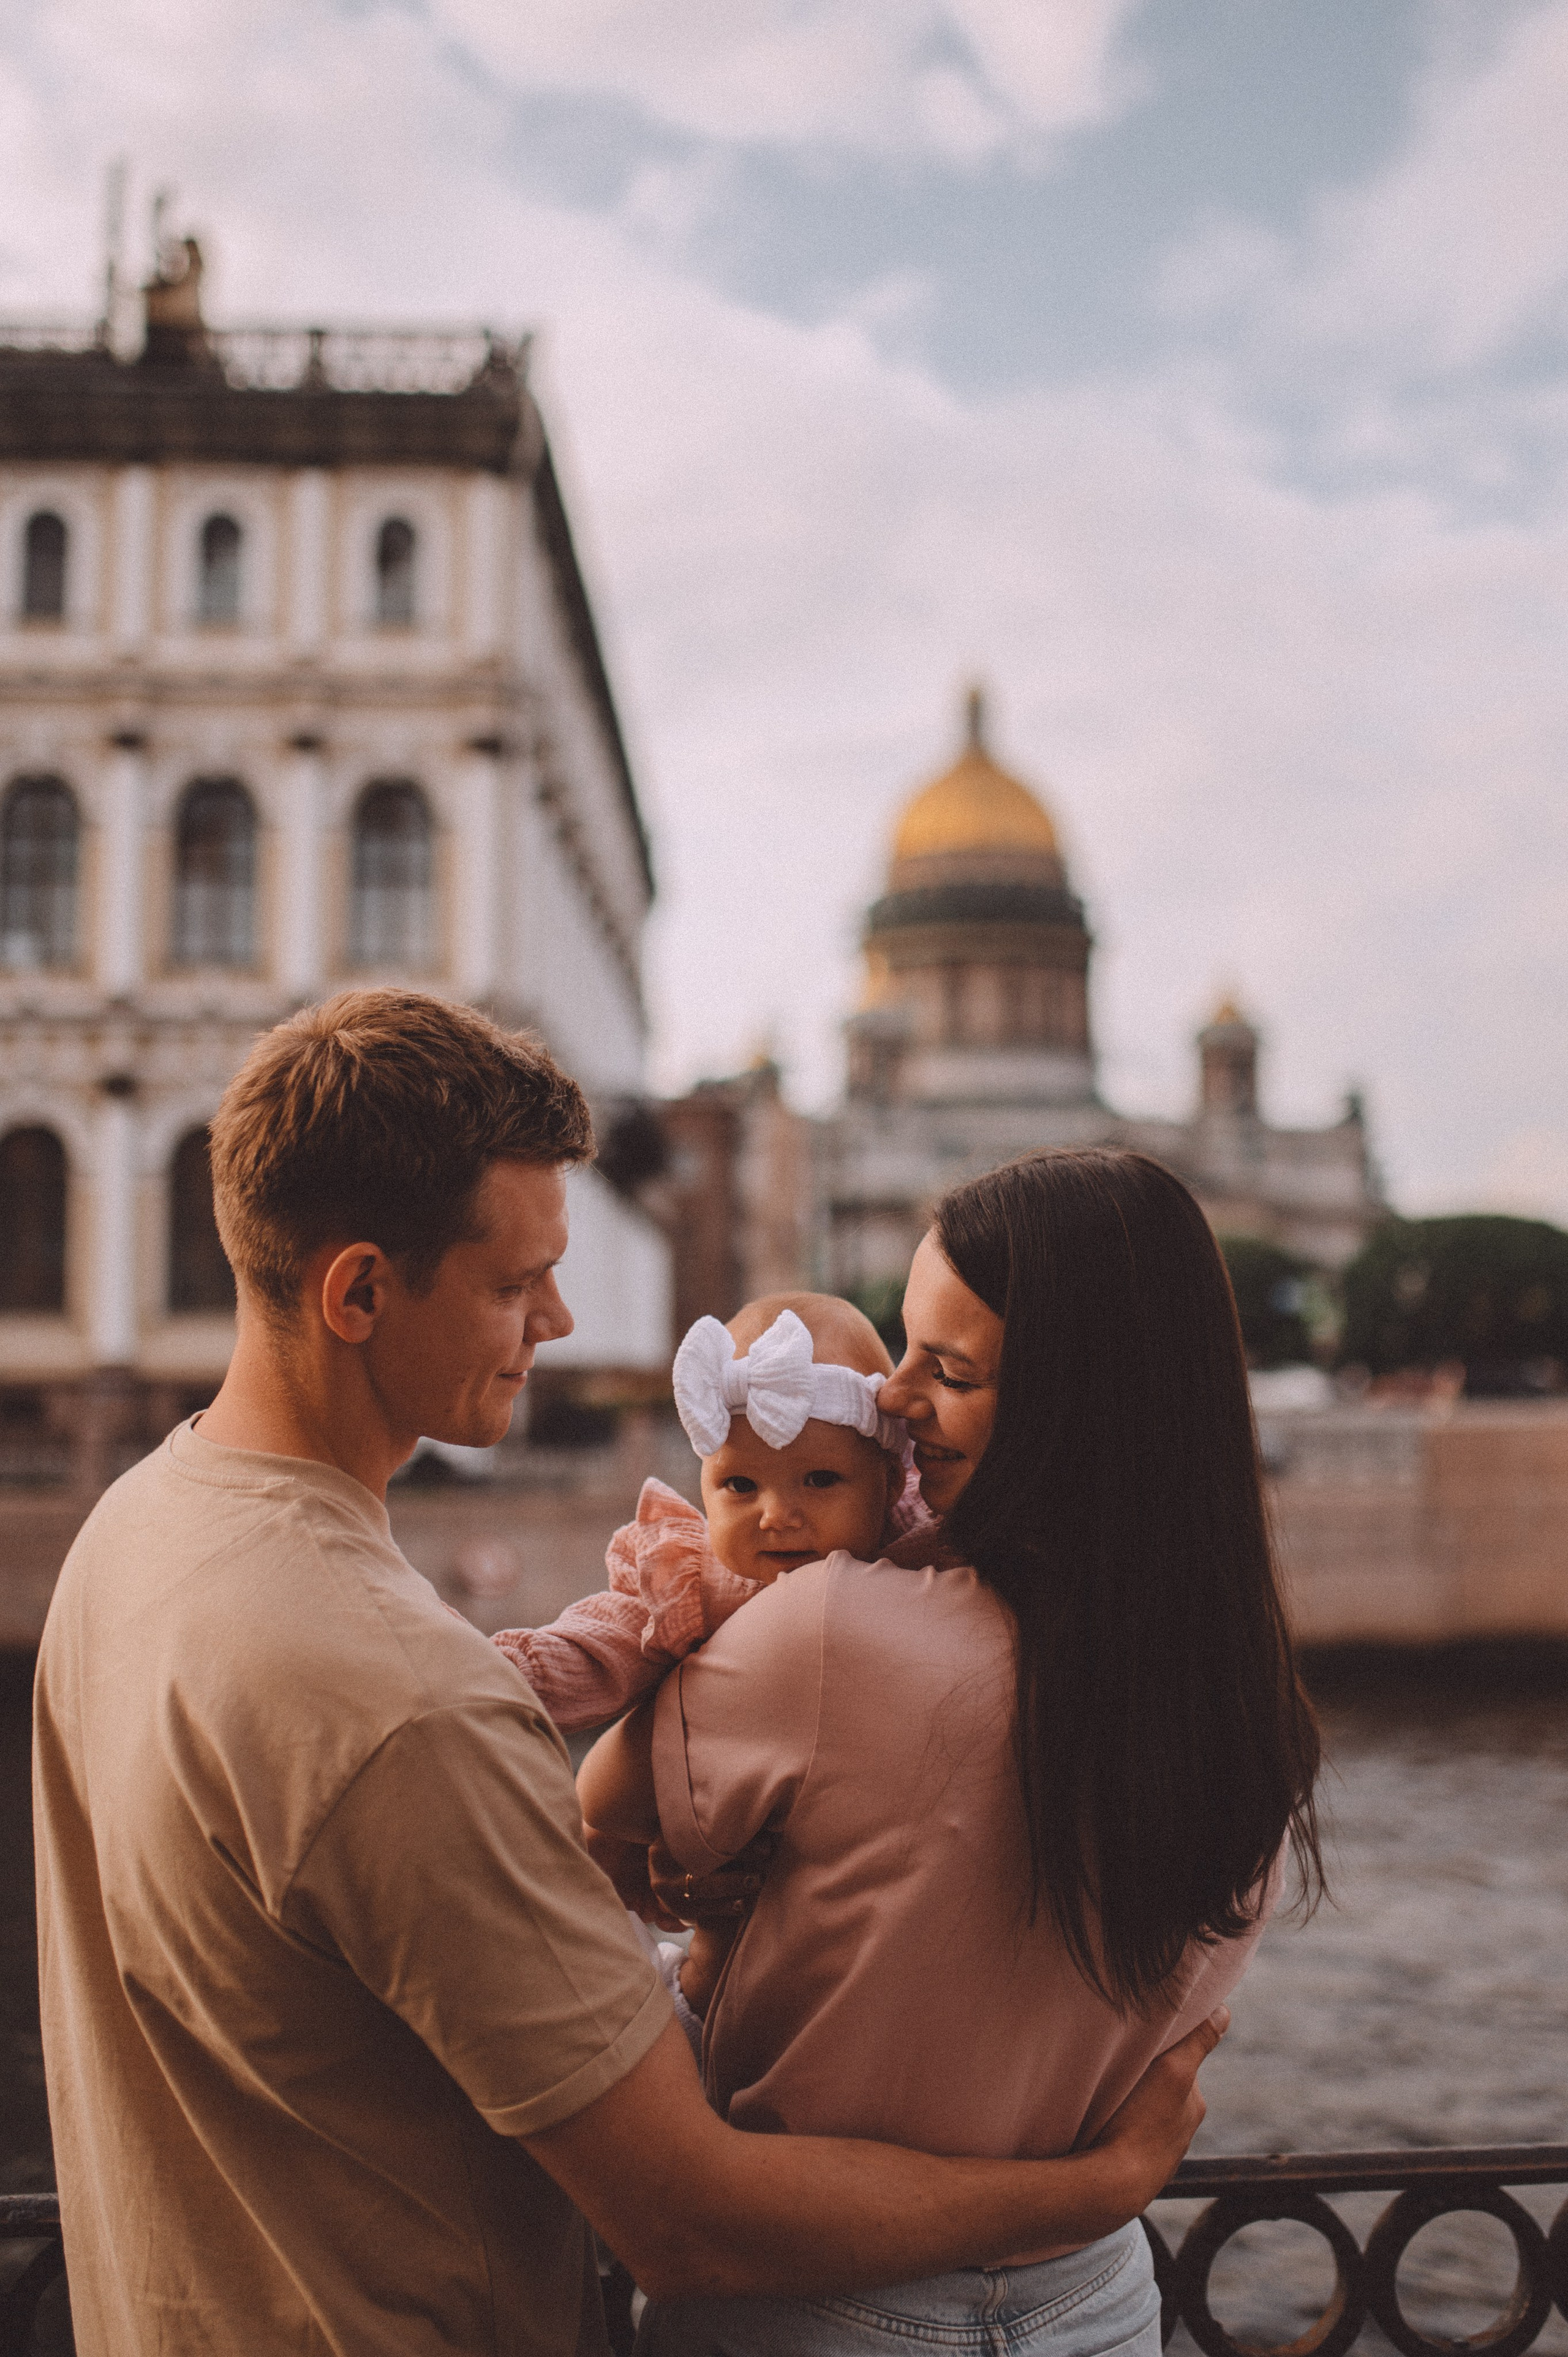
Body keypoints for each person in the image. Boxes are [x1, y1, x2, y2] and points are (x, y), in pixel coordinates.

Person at [34, 996, 1228, 2357]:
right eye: (514, 1283)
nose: (556, 1316)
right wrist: (1093, 2190)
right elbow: (690, 2221)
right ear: (357, 1293)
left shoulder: (131, 1535)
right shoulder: (406, 1702)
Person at [580, 1147, 1324, 2356]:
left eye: (950, 1369)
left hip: (814, 2307)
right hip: (1101, 2304)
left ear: (1074, 1403)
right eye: (905, 1348)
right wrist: (1093, 2186)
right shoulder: (1247, 1709)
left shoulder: (829, 1633)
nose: (892, 1394)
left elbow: (587, 1824)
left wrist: (687, 1886)